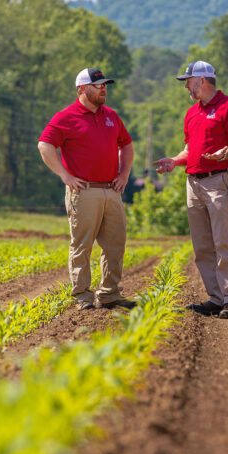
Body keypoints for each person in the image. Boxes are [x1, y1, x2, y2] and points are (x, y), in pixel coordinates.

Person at [38, 67, 136, 311]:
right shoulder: (66, 116)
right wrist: (64, 175)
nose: (103, 88)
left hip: (112, 190)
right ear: (82, 89)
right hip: (84, 191)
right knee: (82, 245)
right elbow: (45, 145)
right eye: (98, 84)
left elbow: (127, 145)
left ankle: (109, 294)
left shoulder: (111, 115)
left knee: (115, 244)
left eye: (105, 84)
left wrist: (124, 174)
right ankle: (82, 295)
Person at [153, 60, 228, 319]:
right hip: (193, 182)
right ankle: (216, 298)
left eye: (188, 82)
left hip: (219, 181)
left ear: (202, 81)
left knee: (222, 241)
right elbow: (188, 150)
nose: (186, 87)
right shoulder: (192, 113)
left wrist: (224, 153)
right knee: (202, 246)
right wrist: (174, 161)